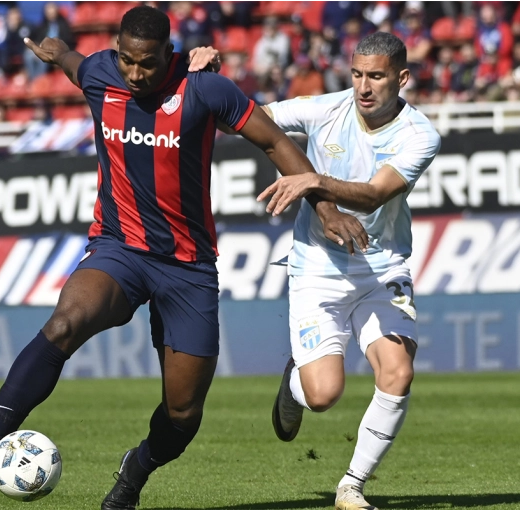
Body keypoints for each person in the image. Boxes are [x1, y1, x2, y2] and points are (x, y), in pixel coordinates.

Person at [0, 6, 367, 510]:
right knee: (63, 324)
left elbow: (273, 140)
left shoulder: (205, 88)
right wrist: (54, 52)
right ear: (116, 51)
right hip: (119, 248)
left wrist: (325, 207)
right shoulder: (100, 74)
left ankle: (135, 471)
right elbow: (73, 60)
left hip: (188, 268)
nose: (136, 75)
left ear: (168, 55)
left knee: (183, 415)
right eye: (128, 62)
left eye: (148, 64)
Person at [200, 31, 441, 510]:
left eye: (376, 76)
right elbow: (249, 120)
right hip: (316, 268)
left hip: (381, 267)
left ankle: (352, 485)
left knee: (398, 372)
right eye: (357, 75)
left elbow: (374, 194)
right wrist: (212, 84)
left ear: (402, 78)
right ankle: (295, 382)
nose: (364, 87)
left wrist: (313, 178)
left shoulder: (420, 135)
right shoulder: (324, 108)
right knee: (324, 394)